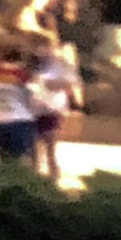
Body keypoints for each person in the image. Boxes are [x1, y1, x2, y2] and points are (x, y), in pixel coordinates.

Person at [29, 36, 83, 184]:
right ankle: (34, 176)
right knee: (34, 146)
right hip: (33, 108)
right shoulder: (32, 63)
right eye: (38, 46)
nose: (41, 50)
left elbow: (71, 82)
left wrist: (54, 84)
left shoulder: (61, 64)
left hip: (52, 108)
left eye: (45, 46)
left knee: (50, 143)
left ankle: (53, 176)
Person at [0, 39, 36, 163]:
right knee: (23, 158)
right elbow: (34, 95)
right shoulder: (21, 75)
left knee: (5, 158)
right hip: (20, 118)